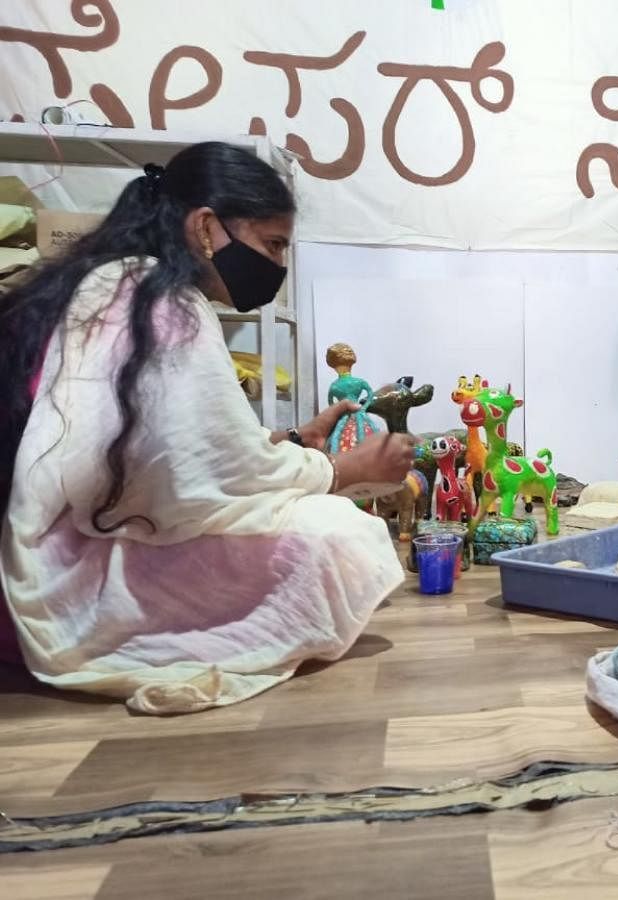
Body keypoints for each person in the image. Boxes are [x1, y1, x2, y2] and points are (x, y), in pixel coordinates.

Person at [0, 142, 414, 713]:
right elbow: (188, 484)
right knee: (342, 536)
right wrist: (343, 470)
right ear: (205, 227)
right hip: (75, 573)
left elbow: (165, 458)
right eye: (272, 245)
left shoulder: (112, 284)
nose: (278, 266)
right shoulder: (164, 305)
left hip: (56, 549)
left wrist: (292, 444)